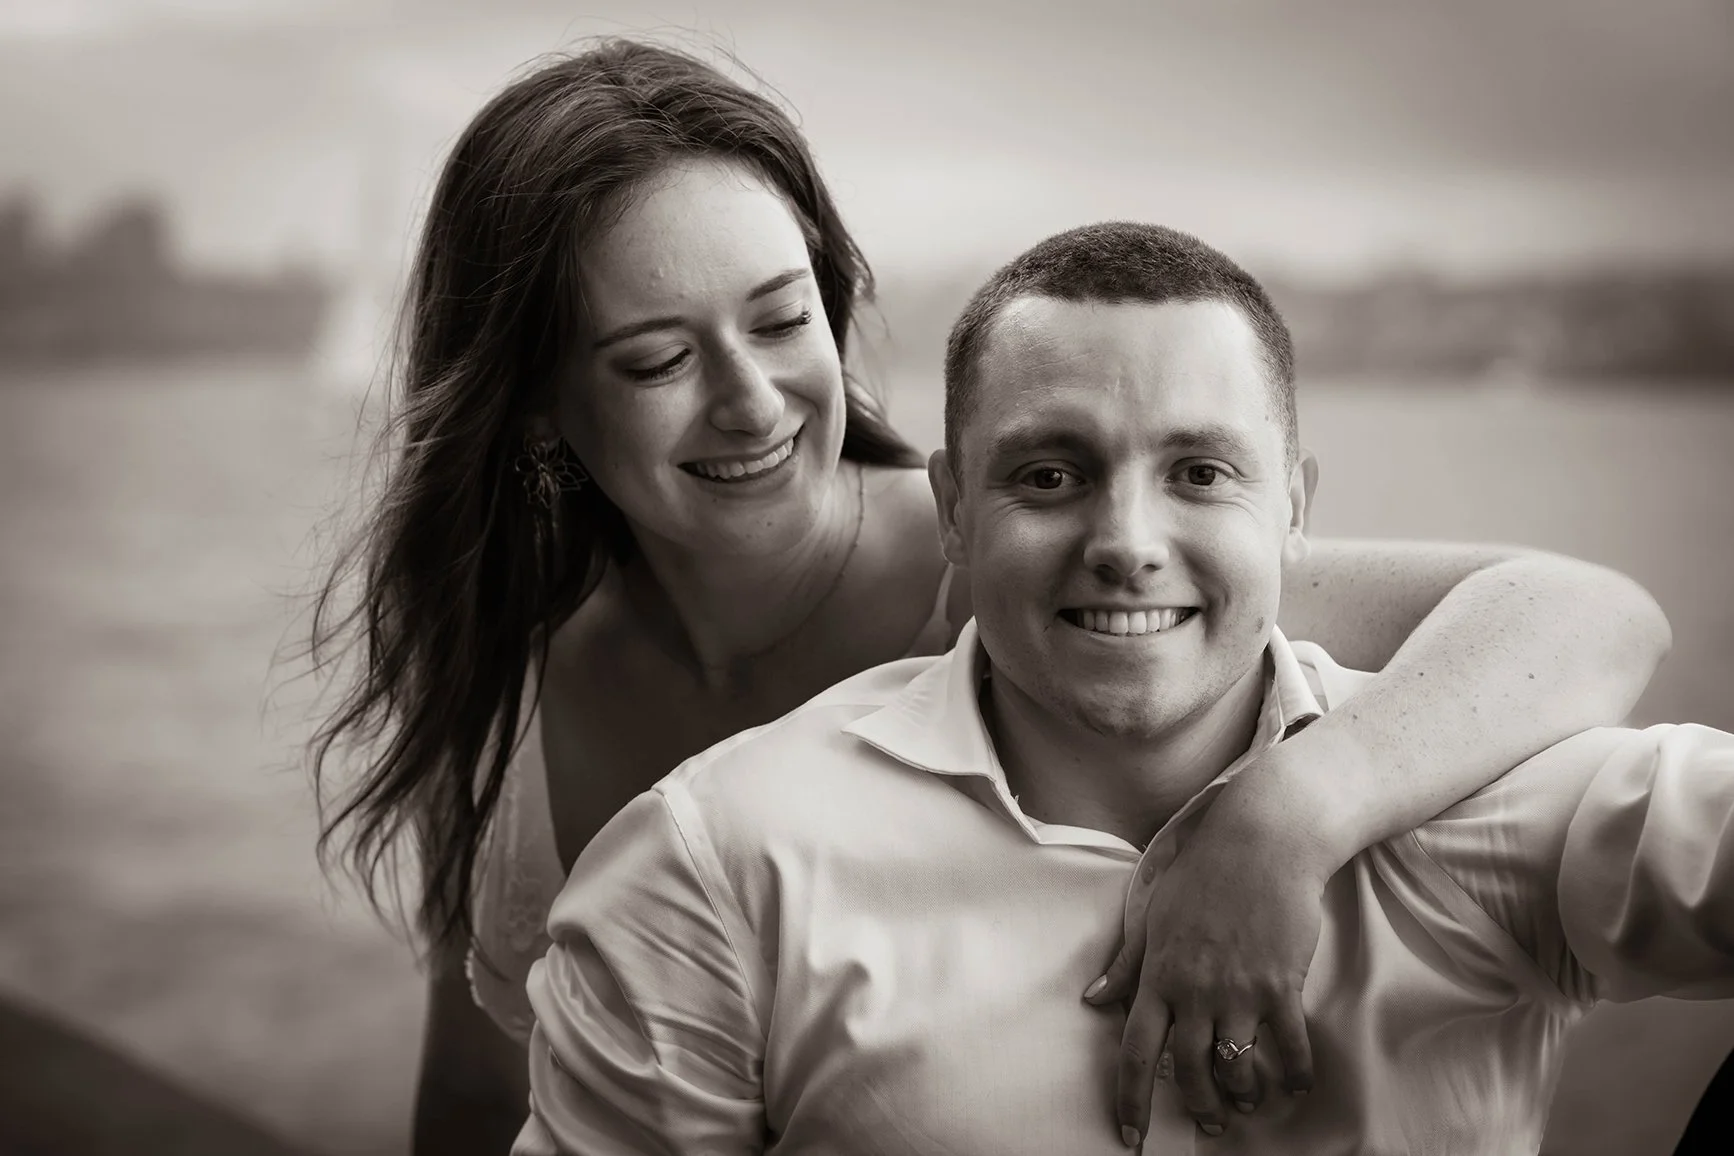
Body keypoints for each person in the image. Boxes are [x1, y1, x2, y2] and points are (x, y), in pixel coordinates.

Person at [303, 42, 1672, 1155]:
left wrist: (1285, 817)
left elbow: (1584, 616)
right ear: (536, 409)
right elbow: (475, 1097)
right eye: (659, 359)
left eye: (782, 318)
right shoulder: (517, 683)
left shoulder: (1047, 582)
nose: (754, 400)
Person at [513, 220, 1734, 1155]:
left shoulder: (1485, 801)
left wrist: (1291, 811)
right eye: (1050, 476)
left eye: (1200, 472)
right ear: (952, 511)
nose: (1127, 544)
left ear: (1295, 506)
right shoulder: (720, 866)